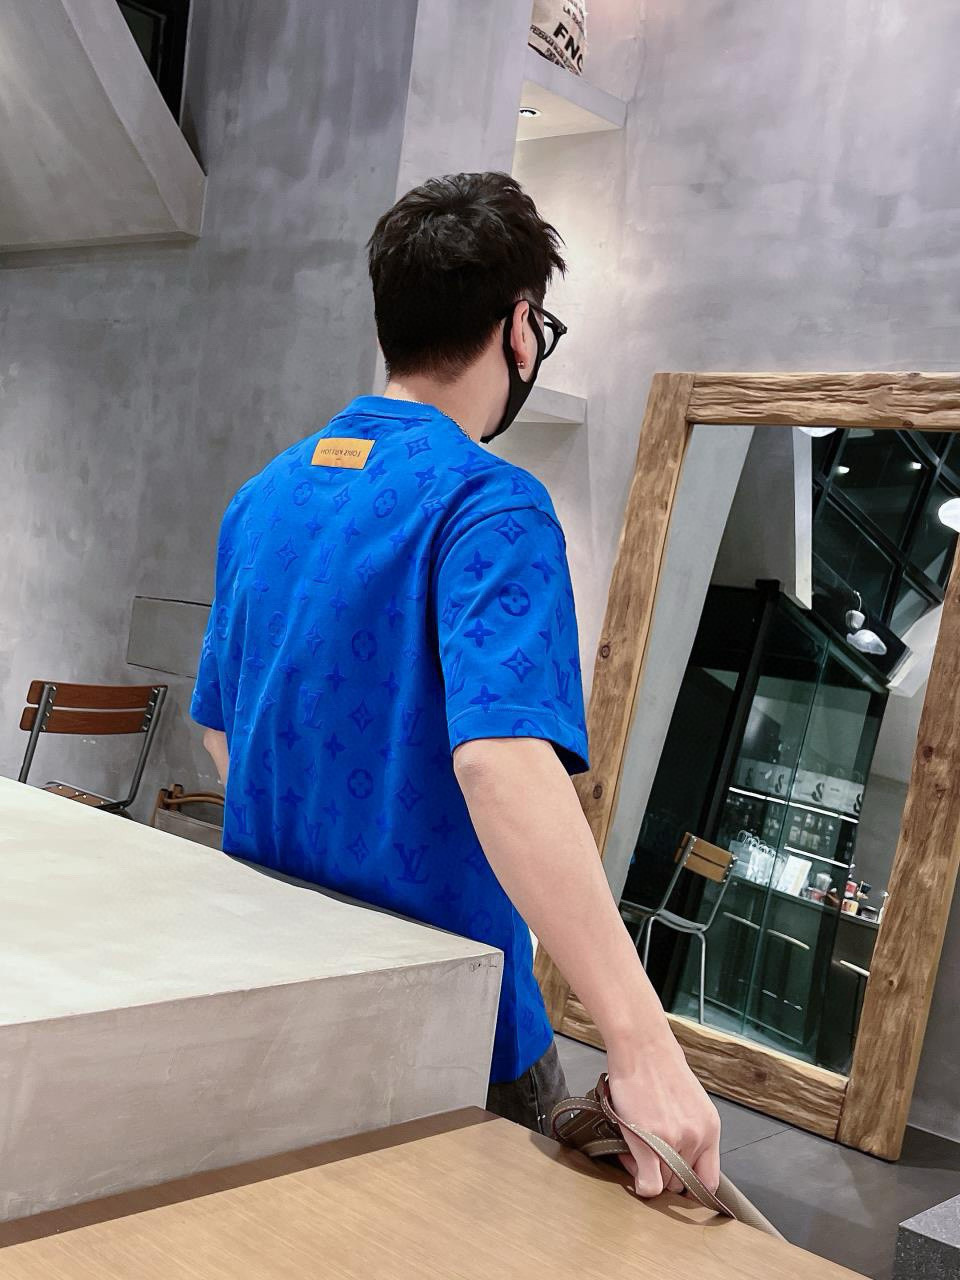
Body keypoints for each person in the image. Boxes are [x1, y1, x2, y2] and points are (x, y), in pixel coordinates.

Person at [192, 171, 721, 1198]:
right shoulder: (491, 507)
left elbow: (221, 732)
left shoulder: (261, 499)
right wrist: (642, 1042)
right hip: (451, 1032)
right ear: (520, 328)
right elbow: (501, 764)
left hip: (268, 993)